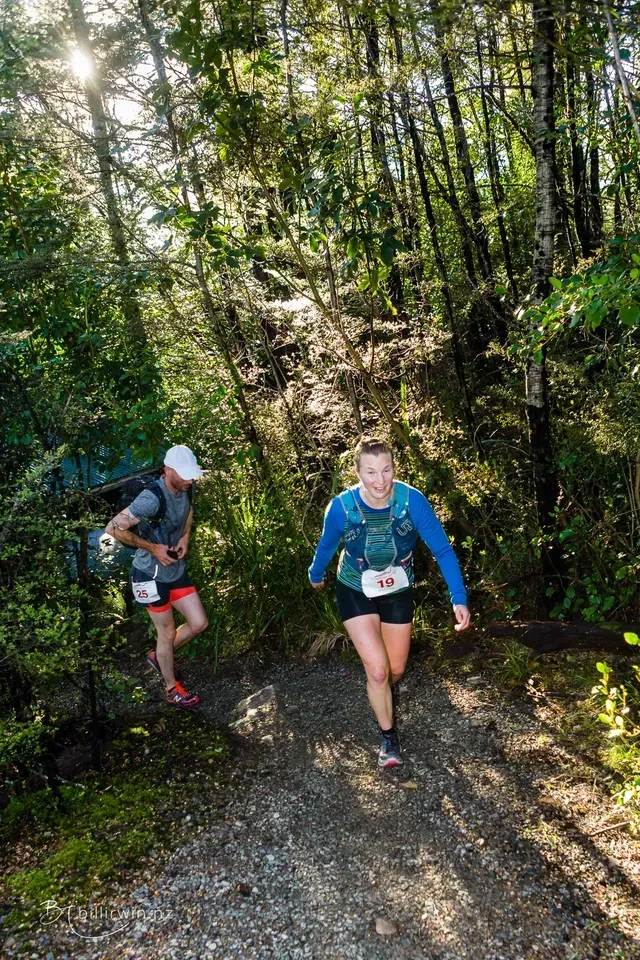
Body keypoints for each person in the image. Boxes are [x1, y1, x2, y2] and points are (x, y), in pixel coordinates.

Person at [309, 436, 470, 768]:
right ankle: (388, 738)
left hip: (397, 587)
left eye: (386, 470)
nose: (380, 481)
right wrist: (316, 572)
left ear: (395, 468)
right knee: (380, 671)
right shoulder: (342, 507)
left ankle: (376, 688)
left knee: (395, 668)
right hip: (355, 586)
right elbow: (326, 545)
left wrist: (458, 597)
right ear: (356, 472)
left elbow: (442, 550)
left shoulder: (412, 502)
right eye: (370, 472)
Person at [106, 444, 208, 709]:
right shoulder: (151, 498)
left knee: (198, 623)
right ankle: (171, 688)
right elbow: (113, 527)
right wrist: (153, 548)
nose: (189, 480)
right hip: (149, 576)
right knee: (167, 632)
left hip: (174, 570)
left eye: (191, 475)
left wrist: (185, 536)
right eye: (184, 475)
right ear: (168, 470)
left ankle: (159, 657)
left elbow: (189, 511)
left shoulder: (188, 487)